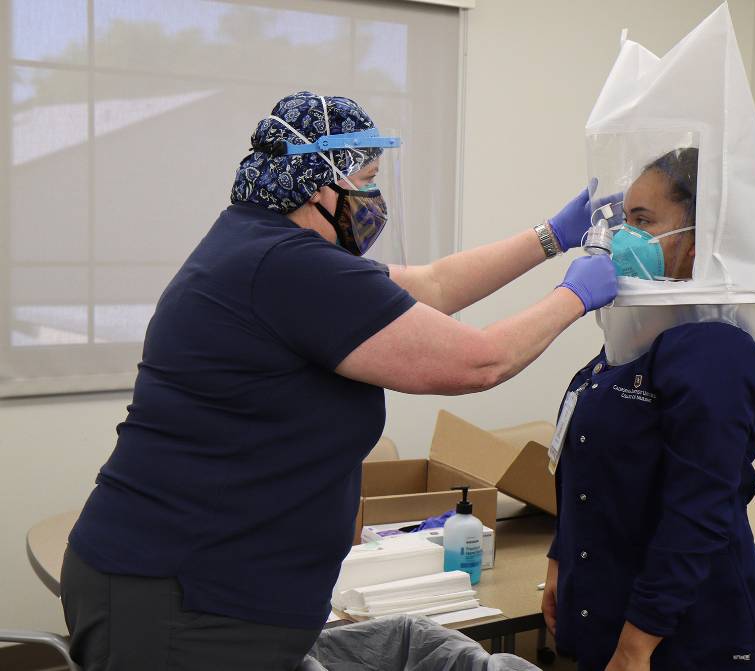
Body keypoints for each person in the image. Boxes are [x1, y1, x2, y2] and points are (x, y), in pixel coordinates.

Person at [60, 92, 617, 671]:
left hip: (195, 584)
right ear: (320, 184)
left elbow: (432, 285)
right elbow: (480, 362)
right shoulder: (286, 267)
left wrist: (554, 234)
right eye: (367, 179)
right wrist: (574, 296)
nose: (375, 199)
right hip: (181, 596)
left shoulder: (262, 246)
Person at [541, 148, 755, 670]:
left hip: (684, 643)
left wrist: (636, 644)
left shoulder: (715, 351)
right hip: (612, 622)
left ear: (701, 241)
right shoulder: (633, 344)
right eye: (623, 220)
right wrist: (562, 561)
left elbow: (696, 515)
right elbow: (591, 476)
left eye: (642, 221)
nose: (623, 237)